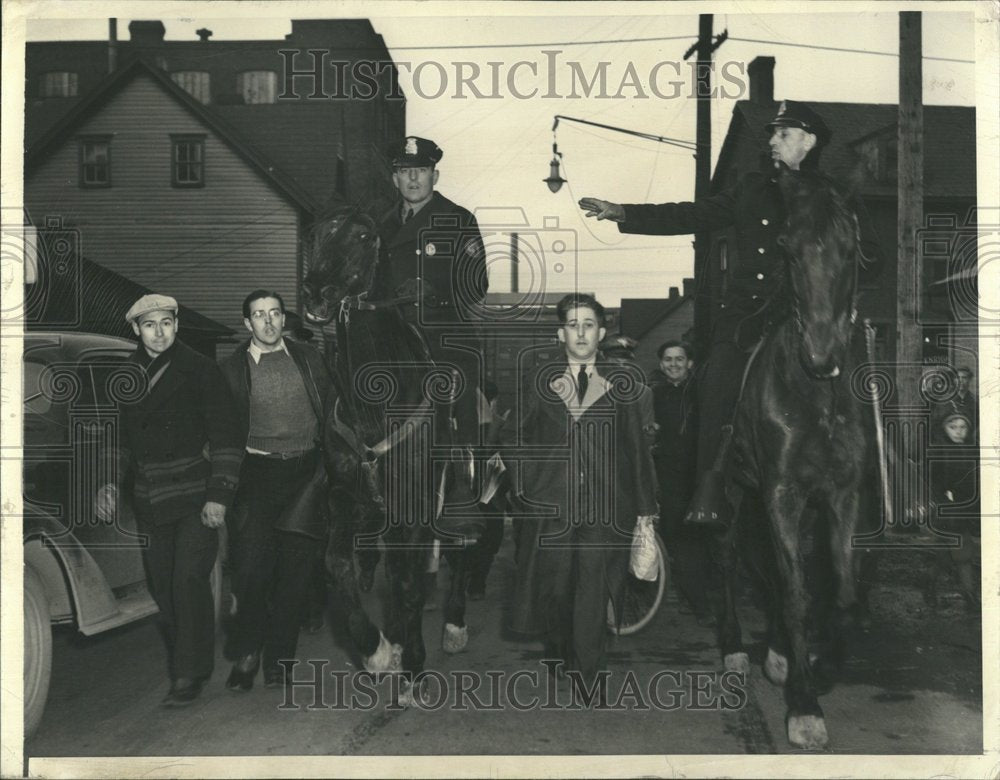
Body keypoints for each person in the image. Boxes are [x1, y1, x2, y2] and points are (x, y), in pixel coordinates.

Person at [579, 101, 882, 528]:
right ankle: (710, 487)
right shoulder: (752, 188)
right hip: (749, 314)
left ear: (809, 141)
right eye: (772, 134)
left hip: (812, 314)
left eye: (784, 134)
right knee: (716, 380)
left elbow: (873, 258)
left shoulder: (834, 195)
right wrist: (625, 213)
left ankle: (882, 481)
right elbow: (691, 213)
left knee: (868, 385)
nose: (773, 142)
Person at [510, 293, 659, 695]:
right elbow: (515, 436)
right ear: (561, 333)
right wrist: (526, 485)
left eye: (589, 325)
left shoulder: (621, 382)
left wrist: (646, 508)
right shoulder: (538, 378)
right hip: (552, 504)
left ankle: (588, 673)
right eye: (573, 324)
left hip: (605, 505)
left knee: (593, 588)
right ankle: (559, 649)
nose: (581, 332)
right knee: (556, 590)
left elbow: (635, 448)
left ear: (602, 332)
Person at [111, 294, 242, 706]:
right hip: (149, 498)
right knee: (162, 587)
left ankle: (189, 673)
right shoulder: (125, 376)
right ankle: (191, 654)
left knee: (187, 580)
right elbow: (117, 439)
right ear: (136, 330)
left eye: (166, 323)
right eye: (150, 325)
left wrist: (219, 495)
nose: (159, 332)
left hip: (195, 495)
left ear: (176, 325)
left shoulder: (202, 371)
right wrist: (108, 484)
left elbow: (226, 436)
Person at [220, 290, 335, 691]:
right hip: (256, 474)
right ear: (246, 324)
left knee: (295, 572)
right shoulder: (232, 369)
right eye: (258, 315)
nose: (268, 322)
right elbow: (219, 431)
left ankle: (279, 659)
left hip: (306, 474)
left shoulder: (309, 359)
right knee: (251, 569)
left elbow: (333, 415)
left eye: (274, 314)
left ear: (284, 319)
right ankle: (248, 652)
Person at [378, 135, 489, 445]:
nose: (413, 178)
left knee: (456, 411)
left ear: (434, 175)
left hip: (442, 334)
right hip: (390, 334)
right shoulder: (380, 224)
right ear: (394, 178)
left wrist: (433, 292)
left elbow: (477, 283)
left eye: (421, 170)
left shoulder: (458, 219)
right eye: (404, 171)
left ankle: (463, 474)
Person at [649, 340, 714, 625]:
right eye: (668, 359)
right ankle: (697, 600)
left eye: (679, 359)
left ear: (690, 363)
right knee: (677, 535)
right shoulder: (654, 395)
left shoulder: (702, 394)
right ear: (661, 364)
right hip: (669, 476)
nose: (673, 364)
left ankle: (701, 598)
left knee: (702, 536)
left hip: (700, 474)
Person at [926, 412, 980, 611]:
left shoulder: (972, 450)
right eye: (953, 427)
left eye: (962, 427)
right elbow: (932, 481)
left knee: (944, 553)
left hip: (966, 508)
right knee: (963, 553)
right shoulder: (939, 451)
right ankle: (970, 597)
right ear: (944, 429)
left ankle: (929, 584)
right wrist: (943, 498)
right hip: (947, 509)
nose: (958, 432)